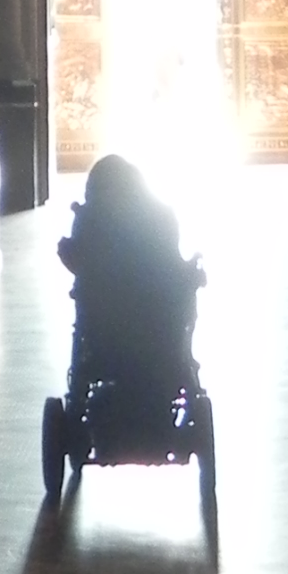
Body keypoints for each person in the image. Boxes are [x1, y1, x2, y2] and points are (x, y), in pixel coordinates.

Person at [58, 153, 204, 440]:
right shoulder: (161, 216)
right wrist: (192, 272)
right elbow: (174, 266)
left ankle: (79, 403)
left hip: (104, 335)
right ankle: (186, 376)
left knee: (86, 319)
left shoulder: (89, 218)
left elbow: (79, 261)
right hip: (159, 334)